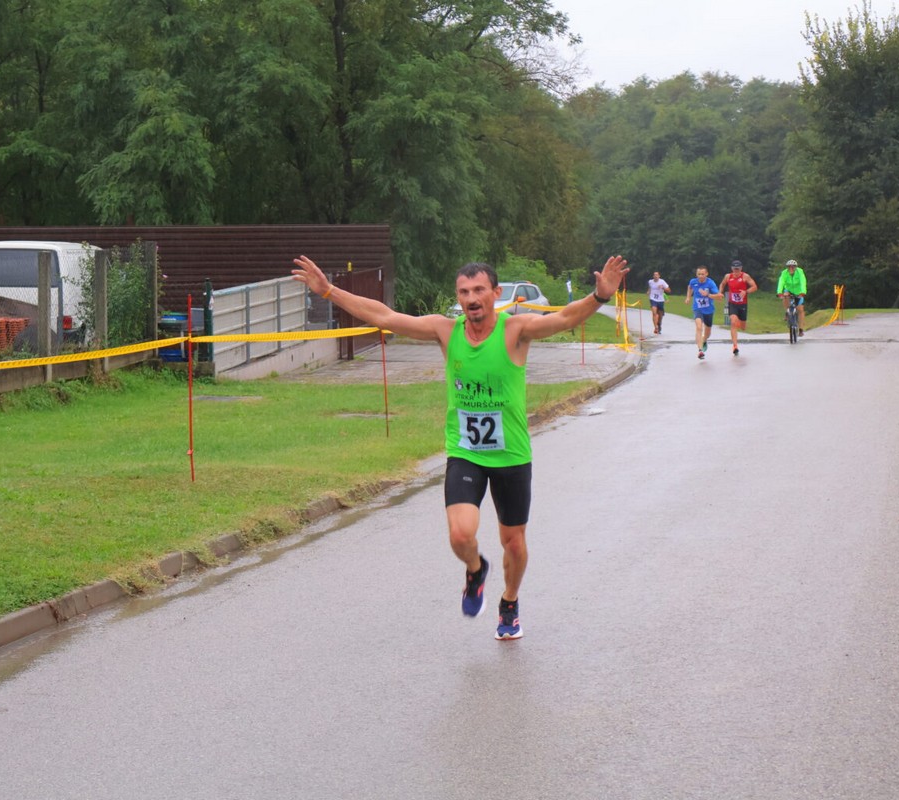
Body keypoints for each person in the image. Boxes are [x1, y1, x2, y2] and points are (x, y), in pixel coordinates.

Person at [292, 253, 630, 640]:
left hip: (511, 456)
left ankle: (509, 602)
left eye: (479, 290)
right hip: (466, 450)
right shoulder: (445, 331)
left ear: (495, 294)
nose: (471, 298)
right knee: (459, 535)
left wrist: (599, 297)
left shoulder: (515, 330)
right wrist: (330, 290)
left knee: (514, 543)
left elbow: (564, 318)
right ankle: (475, 570)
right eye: (464, 291)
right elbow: (384, 317)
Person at [717, 260, 758, 356]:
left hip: (742, 304)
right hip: (732, 303)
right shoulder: (728, 276)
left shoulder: (745, 276)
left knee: (743, 327)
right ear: (732, 269)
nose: (736, 271)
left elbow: (754, 287)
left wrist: (746, 291)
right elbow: (722, 284)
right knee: (733, 321)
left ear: (741, 269)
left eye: (738, 269)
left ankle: (740, 322)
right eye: (734, 269)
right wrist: (720, 292)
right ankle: (735, 346)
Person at [685, 266, 722, 360]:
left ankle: (704, 340)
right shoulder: (693, 281)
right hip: (698, 308)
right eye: (699, 274)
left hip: (709, 310)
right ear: (696, 274)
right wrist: (688, 297)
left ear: (706, 274)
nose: (700, 276)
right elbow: (690, 287)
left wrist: (708, 295)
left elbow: (719, 297)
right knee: (698, 327)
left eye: (702, 274)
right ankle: (700, 350)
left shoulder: (710, 283)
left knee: (708, 332)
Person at [776, 259, 808, 335]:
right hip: (789, 289)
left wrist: (803, 292)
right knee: (785, 295)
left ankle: (800, 329)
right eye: (789, 267)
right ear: (787, 268)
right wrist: (779, 292)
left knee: (800, 310)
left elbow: (803, 281)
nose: (791, 268)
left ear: (796, 267)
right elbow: (781, 282)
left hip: (798, 291)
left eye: (793, 267)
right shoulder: (784, 273)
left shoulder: (800, 272)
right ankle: (788, 311)